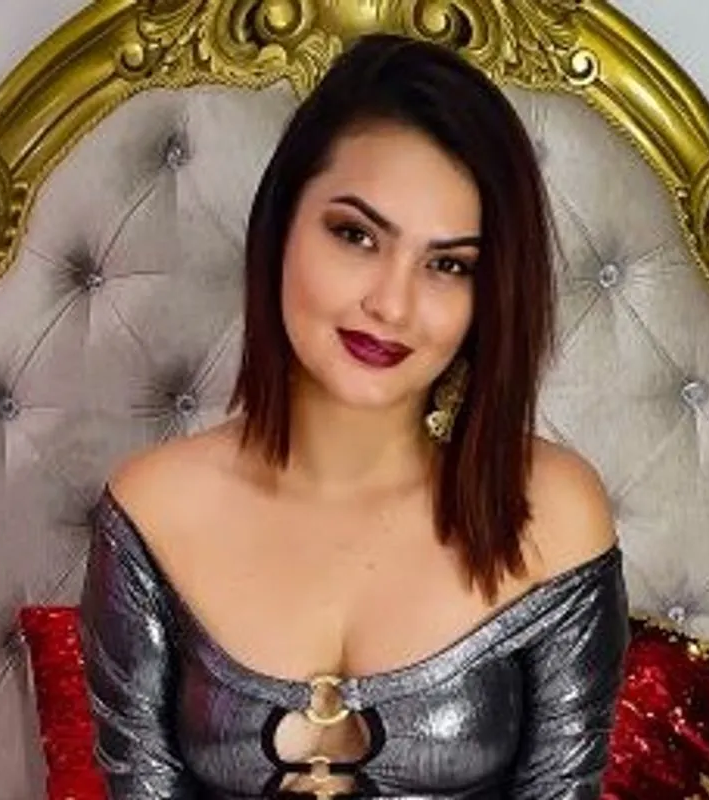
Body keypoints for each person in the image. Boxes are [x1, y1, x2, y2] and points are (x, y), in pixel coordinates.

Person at [80, 32, 628, 800]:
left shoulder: (551, 511)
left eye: (448, 265)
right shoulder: (154, 509)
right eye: (356, 235)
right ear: (281, 226)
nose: (392, 304)